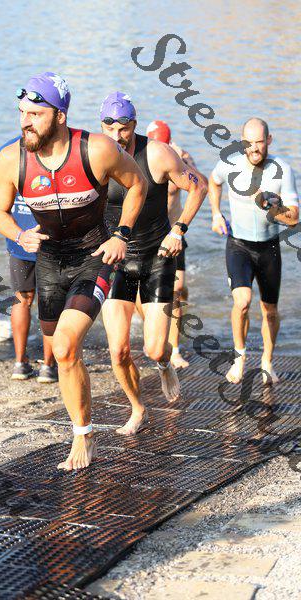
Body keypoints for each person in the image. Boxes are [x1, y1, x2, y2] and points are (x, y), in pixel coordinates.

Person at [0, 73, 147, 470]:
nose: (25, 122)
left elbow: (138, 184)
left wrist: (122, 235)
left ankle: (83, 435)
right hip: (48, 262)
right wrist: (19, 235)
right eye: (22, 113)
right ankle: (84, 425)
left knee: (64, 346)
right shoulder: (11, 159)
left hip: (94, 256)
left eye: (35, 114)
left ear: (60, 116)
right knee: (61, 355)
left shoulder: (97, 149)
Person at [100, 92, 207, 435]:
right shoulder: (96, 156)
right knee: (118, 351)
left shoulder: (157, 154)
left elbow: (200, 186)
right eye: (109, 128)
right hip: (116, 262)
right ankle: (137, 408)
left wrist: (179, 229)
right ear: (101, 126)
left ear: (133, 124)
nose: (117, 136)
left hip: (156, 259)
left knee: (155, 348)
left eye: (124, 128)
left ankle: (164, 363)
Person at [209, 117, 299, 385]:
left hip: (269, 248)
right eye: (249, 143)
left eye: (259, 142)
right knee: (242, 302)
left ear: (269, 140)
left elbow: (293, 218)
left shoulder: (282, 170)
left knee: (270, 310)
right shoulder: (230, 164)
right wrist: (216, 213)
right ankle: (239, 358)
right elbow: (213, 181)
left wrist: (268, 206)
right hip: (239, 245)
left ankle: (267, 363)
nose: (254, 148)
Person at [0, 139, 57, 383]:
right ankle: (48, 366)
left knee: (21, 299)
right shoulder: (58, 149)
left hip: (19, 237)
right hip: (50, 239)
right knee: (51, 302)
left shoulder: (7, 152)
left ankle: (20, 363)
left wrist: (18, 234)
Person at [146, 119, 201, 370]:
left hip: (174, 234)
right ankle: (153, 334)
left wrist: (185, 161)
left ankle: (175, 349)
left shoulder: (178, 158)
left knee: (177, 291)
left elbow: (199, 185)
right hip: (148, 236)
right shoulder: (142, 156)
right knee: (146, 293)